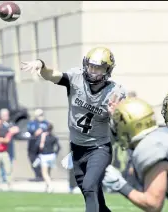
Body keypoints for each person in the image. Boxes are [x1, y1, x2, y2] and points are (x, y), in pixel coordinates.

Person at [20, 47, 126, 212]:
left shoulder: (114, 92)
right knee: (95, 198)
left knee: (90, 186)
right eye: (91, 66)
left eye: (99, 68)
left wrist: (116, 114)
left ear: (108, 70)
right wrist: (41, 65)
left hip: (99, 148)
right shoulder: (76, 78)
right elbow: (52, 75)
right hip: (77, 148)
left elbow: (123, 124)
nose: (93, 71)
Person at [36, 123, 60, 193]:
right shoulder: (54, 137)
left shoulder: (43, 136)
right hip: (52, 155)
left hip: (45, 155)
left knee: (44, 173)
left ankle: (50, 185)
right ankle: (47, 188)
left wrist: (42, 139)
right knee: (48, 172)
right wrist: (55, 154)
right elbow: (58, 147)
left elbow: (39, 146)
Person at [27, 109, 49, 181]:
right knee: (33, 159)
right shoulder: (32, 123)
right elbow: (30, 131)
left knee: (42, 160)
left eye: (41, 114)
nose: (40, 116)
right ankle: (38, 175)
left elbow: (49, 131)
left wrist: (42, 131)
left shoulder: (46, 123)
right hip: (33, 145)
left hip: (42, 145)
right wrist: (35, 132)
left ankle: (43, 175)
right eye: (39, 115)